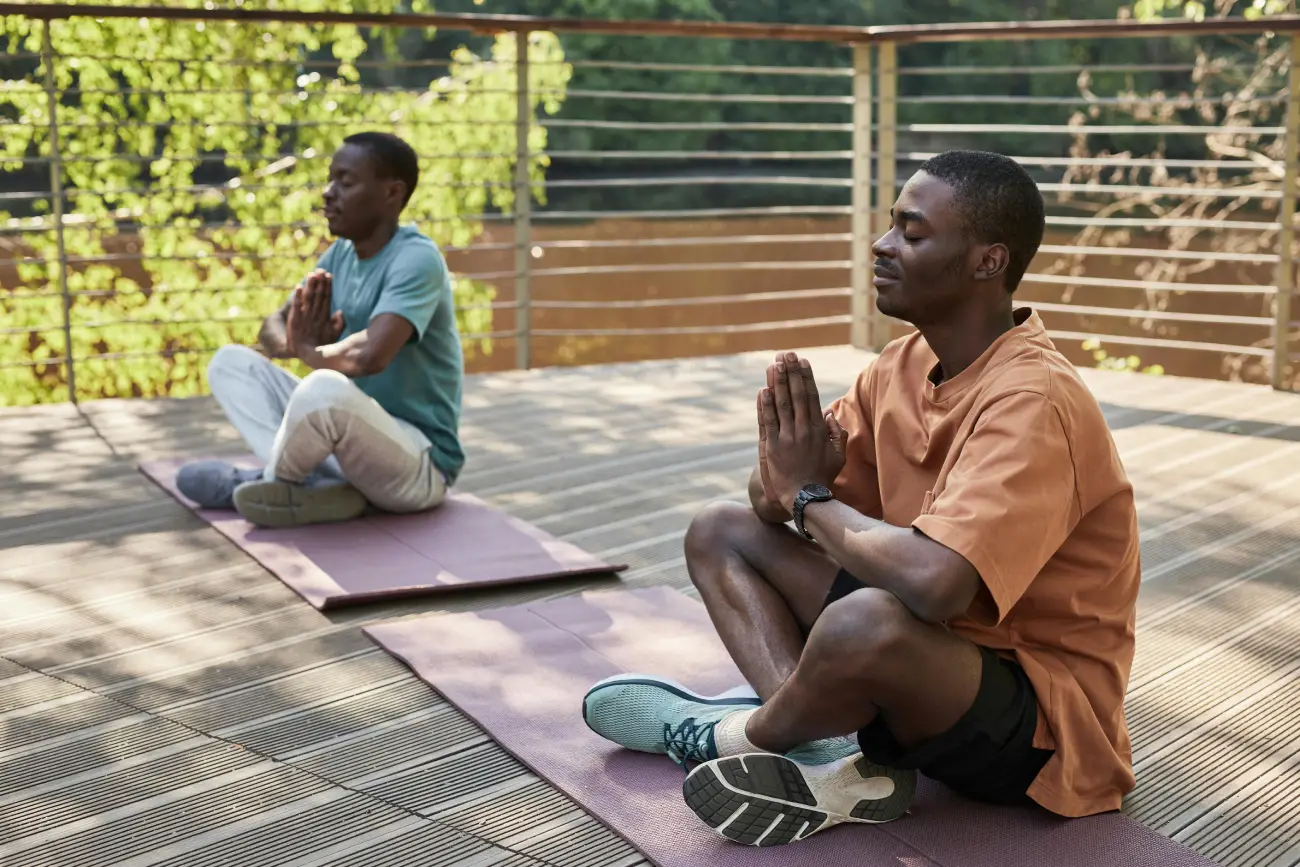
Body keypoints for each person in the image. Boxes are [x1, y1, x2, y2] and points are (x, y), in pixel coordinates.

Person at [582, 150, 1140, 847]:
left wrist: (807, 498)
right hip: (929, 653)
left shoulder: (1034, 400)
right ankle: (820, 750)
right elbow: (771, 496)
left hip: (1037, 724)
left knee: (865, 620)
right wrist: (787, 481)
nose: (882, 244)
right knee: (718, 530)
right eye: (890, 226)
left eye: (912, 232)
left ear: (987, 261)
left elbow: (935, 585)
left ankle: (733, 735)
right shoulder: (901, 365)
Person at [177, 131, 465, 529]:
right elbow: (273, 327)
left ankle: (271, 483)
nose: (328, 193)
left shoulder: (417, 259)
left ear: (392, 193)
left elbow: (371, 354)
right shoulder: (341, 254)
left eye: (346, 183)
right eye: (330, 181)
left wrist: (313, 354)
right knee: (231, 363)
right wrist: (297, 342)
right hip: (349, 450)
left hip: (417, 467)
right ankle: (309, 487)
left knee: (323, 388)